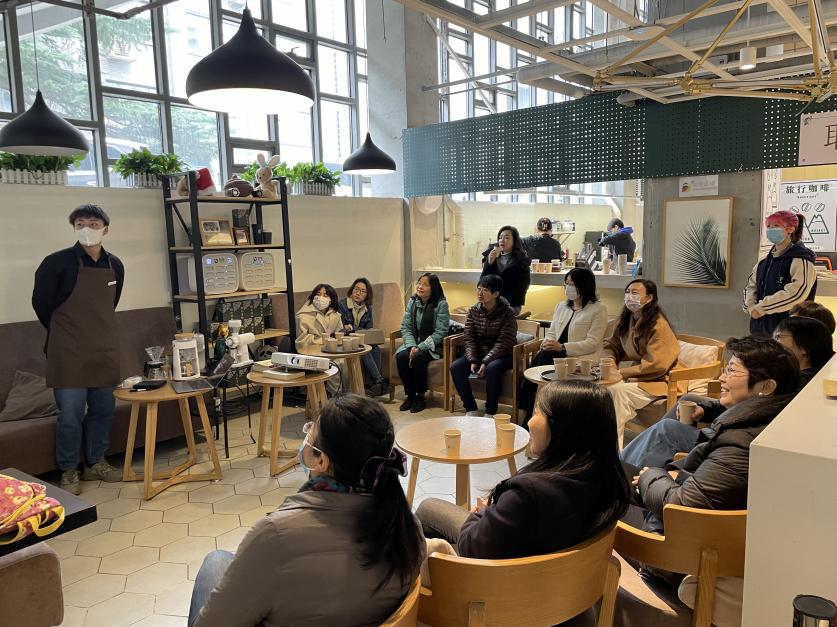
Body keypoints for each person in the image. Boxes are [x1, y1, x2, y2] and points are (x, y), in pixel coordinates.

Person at [188, 394, 424, 627]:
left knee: (216, 562)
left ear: (322, 461)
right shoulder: (408, 528)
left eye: (310, 434)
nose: (305, 441)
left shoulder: (275, 536)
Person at [416, 380, 630, 559]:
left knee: (427, 508)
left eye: (537, 412)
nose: (530, 422)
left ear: (561, 428)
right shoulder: (609, 480)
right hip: (560, 580)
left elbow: (473, 547)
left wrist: (480, 514)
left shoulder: (527, 495)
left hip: (498, 584)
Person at [625, 337, 799, 534]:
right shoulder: (768, 415)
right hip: (680, 501)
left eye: (731, 371)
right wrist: (675, 474)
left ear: (766, 387)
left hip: (672, 535)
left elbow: (680, 506)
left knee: (602, 492)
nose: (722, 378)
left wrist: (651, 475)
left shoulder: (739, 445)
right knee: (609, 473)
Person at [32, 204, 125, 495]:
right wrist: (66, 333)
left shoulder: (115, 265)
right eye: (81, 224)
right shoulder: (56, 263)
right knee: (70, 415)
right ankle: (69, 469)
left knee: (103, 410)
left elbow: (111, 303)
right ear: (73, 228)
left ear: (105, 230)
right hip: (68, 351)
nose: (87, 229)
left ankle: (96, 462)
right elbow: (41, 304)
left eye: (94, 224)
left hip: (104, 349)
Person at [519, 268, 609, 422]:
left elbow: (592, 343)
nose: (568, 288)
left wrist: (562, 347)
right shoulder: (561, 306)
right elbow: (552, 332)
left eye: (572, 284)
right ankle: (531, 407)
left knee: (543, 359)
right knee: (544, 354)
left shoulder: (598, 309)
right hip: (554, 353)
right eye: (566, 283)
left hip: (579, 357)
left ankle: (527, 405)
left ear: (584, 285)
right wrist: (548, 342)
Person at [603, 279, 679, 446]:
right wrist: (610, 361)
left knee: (617, 392)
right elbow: (611, 345)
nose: (629, 296)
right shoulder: (626, 319)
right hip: (640, 376)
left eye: (635, 293)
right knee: (600, 390)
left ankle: (613, 451)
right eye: (627, 292)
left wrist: (621, 373)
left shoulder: (659, 325)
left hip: (660, 379)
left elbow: (657, 364)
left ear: (649, 298)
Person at [449, 275, 517, 419]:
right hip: (480, 352)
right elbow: (469, 338)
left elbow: (505, 342)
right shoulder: (473, 310)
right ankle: (471, 408)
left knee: (493, 368)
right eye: (478, 289)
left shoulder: (507, 312)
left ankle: (490, 412)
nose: (480, 293)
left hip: (503, 353)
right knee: (456, 367)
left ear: (496, 294)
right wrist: (473, 360)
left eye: (485, 290)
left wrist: (486, 361)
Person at [743, 210, 817, 335]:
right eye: (768, 226)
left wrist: (762, 308)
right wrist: (750, 307)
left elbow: (797, 293)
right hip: (759, 329)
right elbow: (751, 286)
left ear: (790, 229)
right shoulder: (763, 262)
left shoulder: (801, 260)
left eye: (776, 226)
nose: (771, 230)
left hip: (789, 332)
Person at [396, 272, 450, 414]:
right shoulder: (413, 302)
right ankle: (410, 395)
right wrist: (412, 346)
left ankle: (420, 396)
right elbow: (405, 327)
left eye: (425, 284)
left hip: (433, 346)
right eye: (419, 283)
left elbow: (440, 332)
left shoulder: (441, 304)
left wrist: (420, 347)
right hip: (413, 343)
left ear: (433, 288)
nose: (420, 287)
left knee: (418, 357)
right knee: (401, 357)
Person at [337, 278, 389, 397]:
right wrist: (355, 329)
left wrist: (353, 327)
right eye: (356, 289)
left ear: (367, 295)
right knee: (364, 349)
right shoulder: (342, 305)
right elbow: (342, 329)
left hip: (362, 339)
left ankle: (373, 385)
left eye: (362, 291)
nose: (358, 293)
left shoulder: (367, 308)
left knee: (375, 349)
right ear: (351, 290)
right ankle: (379, 381)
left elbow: (369, 329)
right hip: (346, 340)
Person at [481, 225, 531, 315]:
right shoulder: (492, 256)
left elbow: (523, 287)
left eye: (506, 238)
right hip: (490, 303)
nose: (502, 240)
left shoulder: (521, 260)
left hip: (512, 304)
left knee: (495, 315)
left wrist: (500, 302)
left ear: (514, 241)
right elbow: (482, 282)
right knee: (475, 313)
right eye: (500, 238)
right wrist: (489, 264)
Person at [772, 316, 834, 385]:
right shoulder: (821, 373)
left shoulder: (798, 384)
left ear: (804, 347)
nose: (772, 342)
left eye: (778, 336)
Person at [295, 284, 342, 349]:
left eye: (325, 295)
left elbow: (339, 335)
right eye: (318, 294)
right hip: (311, 352)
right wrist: (322, 340)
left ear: (331, 300)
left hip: (332, 350)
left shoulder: (335, 315)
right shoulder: (303, 315)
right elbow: (301, 341)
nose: (320, 298)